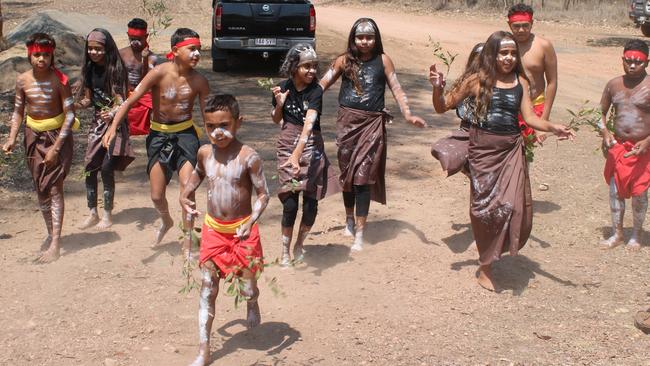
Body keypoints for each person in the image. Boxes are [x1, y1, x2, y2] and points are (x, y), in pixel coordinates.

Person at [429, 31, 574, 291]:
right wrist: (437, 88)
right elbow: (443, 106)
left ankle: (497, 251)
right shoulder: (476, 80)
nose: (508, 57)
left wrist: (552, 127)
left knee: (514, 207)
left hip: (510, 150)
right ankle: (485, 266)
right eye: (503, 53)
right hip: (483, 151)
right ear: (492, 54)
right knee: (484, 210)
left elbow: (529, 117)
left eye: (512, 53)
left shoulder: (521, 81)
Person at [319, 18, 426, 251]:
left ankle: (360, 232)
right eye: (360, 37)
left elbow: (396, 88)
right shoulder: (343, 60)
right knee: (348, 177)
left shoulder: (384, 61)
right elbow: (322, 85)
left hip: (372, 126)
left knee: (363, 178)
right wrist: (297, 97)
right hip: (347, 125)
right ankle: (349, 218)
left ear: (376, 39)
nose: (365, 42)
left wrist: (408, 114)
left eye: (369, 37)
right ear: (353, 39)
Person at [180, 94, 269, 366]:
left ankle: (252, 301)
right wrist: (186, 195)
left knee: (246, 288)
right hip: (213, 230)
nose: (217, 132)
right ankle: (204, 348)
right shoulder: (204, 152)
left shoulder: (248, 157)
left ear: (238, 123)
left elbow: (264, 195)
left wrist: (251, 220)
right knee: (208, 287)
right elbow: (197, 175)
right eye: (210, 126)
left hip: (242, 232)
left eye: (224, 125)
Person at [103, 28, 209, 248]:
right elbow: (130, 101)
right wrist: (113, 126)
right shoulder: (158, 73)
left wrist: (217, 142)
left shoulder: (200, 81)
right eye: (192, 49)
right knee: (156, 195)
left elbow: (208, 117)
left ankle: (188, 242)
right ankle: (166, 220)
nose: (197, 54)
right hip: (159, 135)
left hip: (186, 135)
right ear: (175, 51)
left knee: (187, 188)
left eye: (198, 49)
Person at [1, 33, 78, 262]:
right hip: (32, 137)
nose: (41, 60)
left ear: (52, 54)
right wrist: (12, 137)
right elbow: (18, 111)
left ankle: (56, 242)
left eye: (45, 55)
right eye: (36, 55)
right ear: (29, 55)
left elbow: (70, 114)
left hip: (57, 138)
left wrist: (56, 148)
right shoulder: (22, 80)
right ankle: (50, 233)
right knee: (41, 188)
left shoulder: (60, 80)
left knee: (54, 188)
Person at [271, 44, 338, 265]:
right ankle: (284, 252)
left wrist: (297, 155)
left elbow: (309, 124)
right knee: (290, 203)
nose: (311, 71)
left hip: (311, 148)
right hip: (286, 145)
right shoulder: (282, 87)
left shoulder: (316, 91)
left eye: (314, 67)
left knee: (310, 204)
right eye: (306, 66)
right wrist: (279, 105)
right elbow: (276, 119)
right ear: (294, 67)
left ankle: (300, 243)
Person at [75, 29, 135, 230]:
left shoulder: (116, 69)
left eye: (98, 49)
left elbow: (122, 100)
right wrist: (75, 105)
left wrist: (112, 113)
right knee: (90, 167)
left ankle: (107, 214)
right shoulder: (89, 70)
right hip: (97, 123)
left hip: (116, 123)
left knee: (107, 168)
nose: (94, 52)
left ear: (106, 49)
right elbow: (89, 100)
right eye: (91, 49)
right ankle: (92, 212)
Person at [599, 40, 650, 251]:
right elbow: (599, 113)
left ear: (647, 62)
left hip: (643, 150)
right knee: (615, 191)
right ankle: (617, 233)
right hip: (618, 147)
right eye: (628, 61)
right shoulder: (613, 85)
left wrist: (647, 141)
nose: (632, 65)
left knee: (640, 195)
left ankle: (636, 235)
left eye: (637, 62)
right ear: (622, 59)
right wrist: (605, 132)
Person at [431, 42, 483, 177]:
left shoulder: (503, 83)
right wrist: (437, 89)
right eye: (479, 59)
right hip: (468, 136)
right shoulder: (467, 83)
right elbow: (441, 107)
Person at [507, 3, 558, 141]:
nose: (521, 30)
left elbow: (552, 82)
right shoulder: (504, 45)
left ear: (532, 23)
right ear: (509, 25)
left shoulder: (543, 46)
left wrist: (544, 121)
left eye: (526, 25)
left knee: (525, 153)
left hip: (536, 106)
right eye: (516, 26)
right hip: (509, 106)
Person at [119, 18, 158, 136]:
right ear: (127, 35)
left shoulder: (151, 57)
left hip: (142, 94)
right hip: (124, 91)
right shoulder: (121, 54)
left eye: (138, 39)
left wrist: (145, 60)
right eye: (132, 39)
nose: (135, 42)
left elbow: (147, 81)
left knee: (153, 102)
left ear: (146, 36)